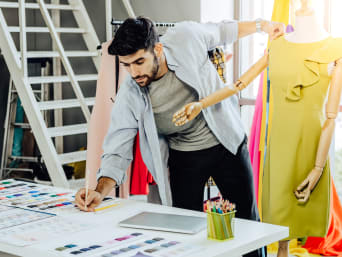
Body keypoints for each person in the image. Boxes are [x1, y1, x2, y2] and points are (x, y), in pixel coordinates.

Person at [75, 16, 284, 257]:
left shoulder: (186, 37)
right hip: (184, 156)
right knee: (185, 231)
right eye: (127, 65)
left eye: (140, 61)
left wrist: (262, 26)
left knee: (247, 223)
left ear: (158, 49)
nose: (134, 72)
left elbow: (224, 30)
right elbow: (117, 147)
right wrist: (99, 191)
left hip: (226, 142)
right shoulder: (131, 91)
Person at [172, 1, 342, 256]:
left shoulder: (335, 49)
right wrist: (201, 104)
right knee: (278, 212)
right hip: (279, 143)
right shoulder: (279, 46)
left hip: (311, 143)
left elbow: (331, 117)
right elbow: (237, 85)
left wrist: (318, 168)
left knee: (297, 213)